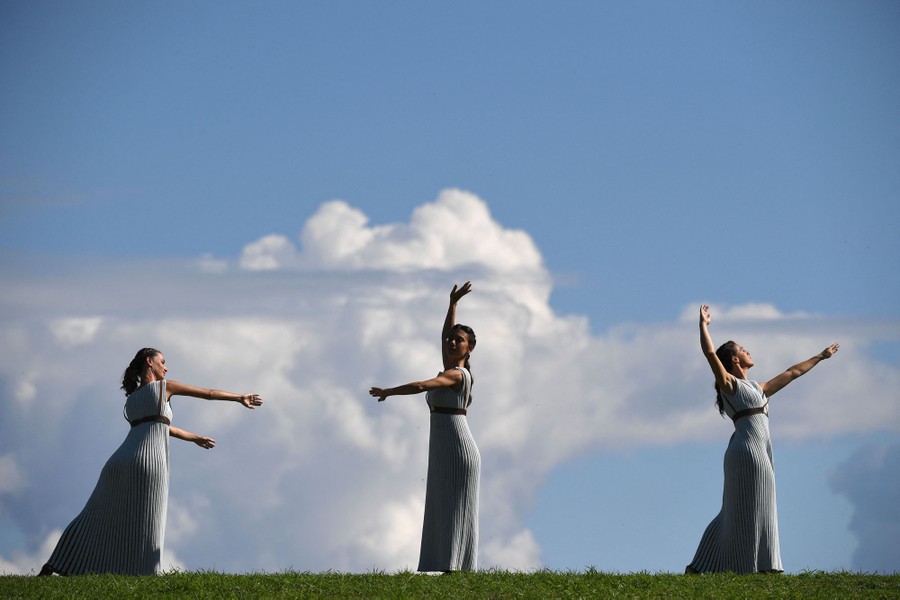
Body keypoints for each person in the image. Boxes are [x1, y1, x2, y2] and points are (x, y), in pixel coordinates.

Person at [39, 347, 263, 576]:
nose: (166, 367)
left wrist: (194, 437)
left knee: (94, 517)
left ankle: (58, 563)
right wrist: (239, 397)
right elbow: (208, 392)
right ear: (149, 362)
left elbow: (157, 425)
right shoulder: (166, 388)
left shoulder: (132, 400)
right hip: (150, 464)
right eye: (162, 362)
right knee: (147, 522)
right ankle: (144, 574)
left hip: (117, 463)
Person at [685, 305, 839, 574]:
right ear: (734, 360)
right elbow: (710, 354)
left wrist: (820, 356)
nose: (748, 352)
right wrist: (703, 326)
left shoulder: (758, 388)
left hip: (758, 451)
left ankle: (744, 566)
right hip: (747, 453)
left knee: (749, 508)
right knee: (743, 508)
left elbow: (792, 373)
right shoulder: (730, 385)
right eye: (743, 350)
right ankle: (747, 567)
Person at [369, 282, 481, 573]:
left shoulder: (456, 375)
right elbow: (444, 336)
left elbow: (421, 385)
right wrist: (452, 303)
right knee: (442, 503)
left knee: (455, 506)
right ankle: (447, 567)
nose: (452, 343)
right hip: (445, 444)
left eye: (460, 341)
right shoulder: (451, 367)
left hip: (458, 447)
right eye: (452, 340)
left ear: (469, 349)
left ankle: (456, 568)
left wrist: (389, 391)